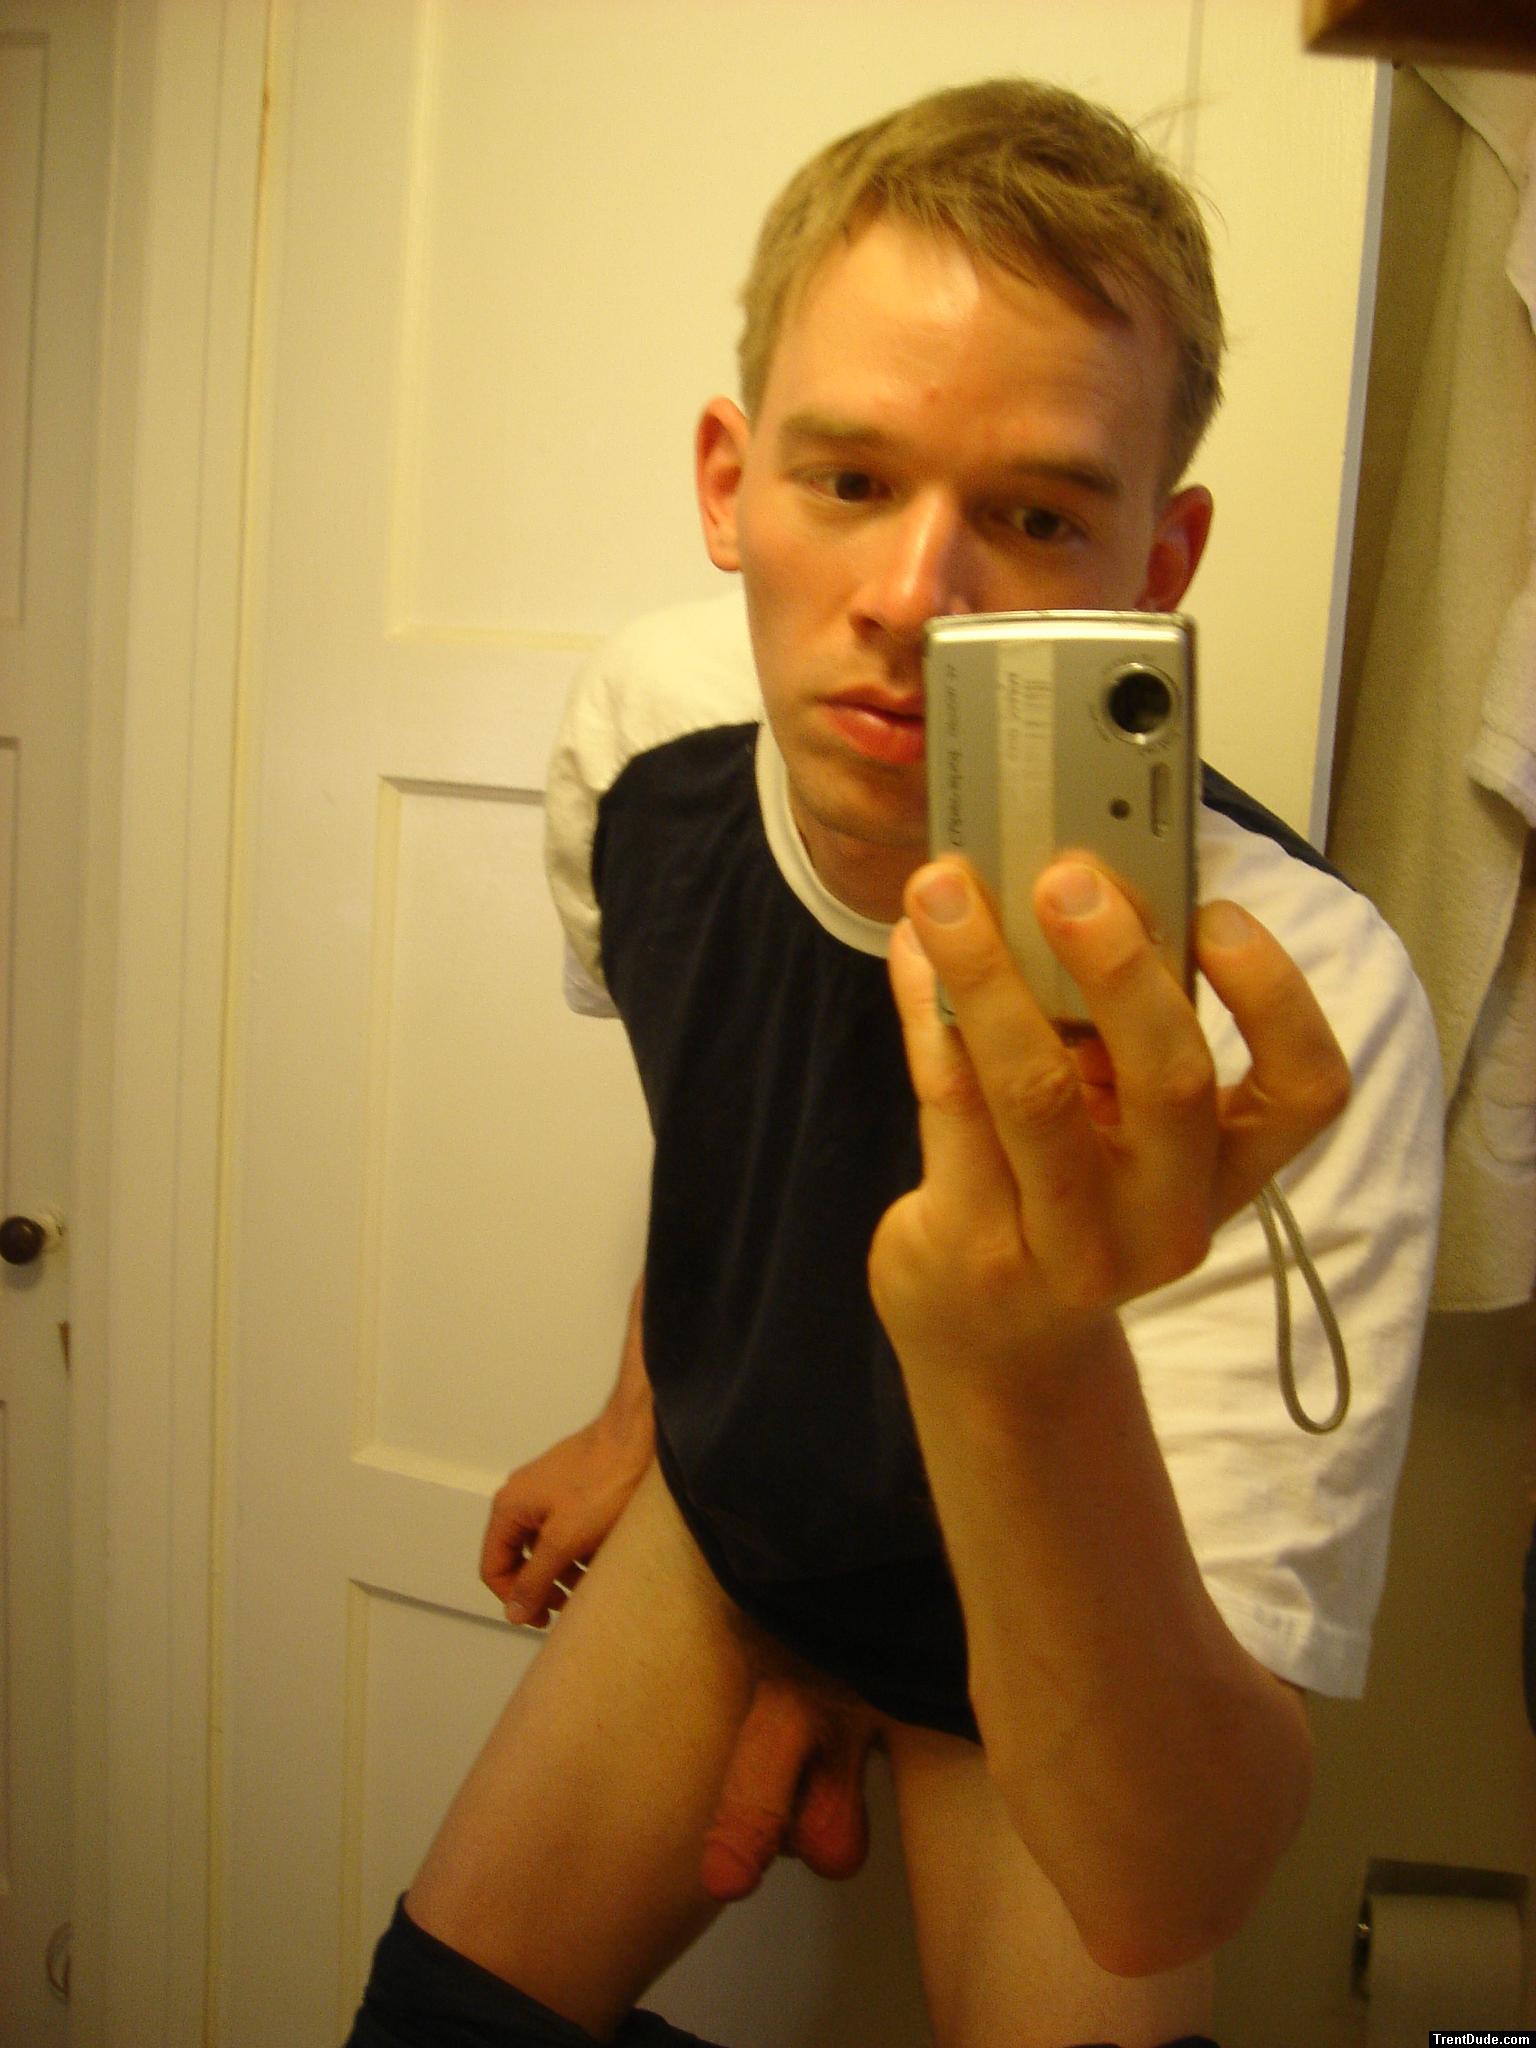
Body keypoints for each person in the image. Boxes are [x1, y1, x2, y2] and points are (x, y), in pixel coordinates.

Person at [346, 78, 1441, 2048]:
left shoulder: (1293, 1001)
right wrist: (638, 1408)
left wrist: (1020, 1357)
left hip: (1070, 1625)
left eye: (1036, 514)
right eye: (848, 479)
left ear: (1160, 557)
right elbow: (715, 1105)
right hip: (735, 1528)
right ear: (726, 479)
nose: (916, 599)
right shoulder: (645, 746)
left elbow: (1178, 1878)